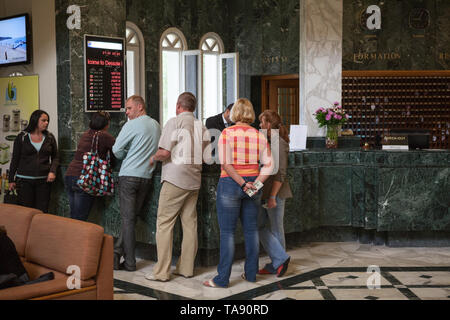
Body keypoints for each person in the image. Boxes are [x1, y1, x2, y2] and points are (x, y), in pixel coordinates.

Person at [203, 98, 273, 288]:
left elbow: (226, 163)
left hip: (231, 184)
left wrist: (242, 184)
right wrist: (255, 184)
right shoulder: (259, 135)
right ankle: (251, 274)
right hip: (252, 185)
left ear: (234, 113)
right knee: (251, 231)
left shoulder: (227, 133)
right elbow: (269, 165)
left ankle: (222, 279)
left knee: (227, 233)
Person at [146, 92, 210, 282]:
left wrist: (153, 157)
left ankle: (162, 272)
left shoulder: (174, 122)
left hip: (175, 179)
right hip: (194, 180)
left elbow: (165, 152)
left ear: (178, 105)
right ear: (193, 107)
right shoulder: (202, 126)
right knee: (190, 224)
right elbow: (207, 157)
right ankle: (186, 268)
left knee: (164, 224)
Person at [113, 95, 161, 272]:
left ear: (140, 107)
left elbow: (116, 150)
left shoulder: (131, 125)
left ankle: (130, 262)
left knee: (127, 220)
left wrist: (127, 154)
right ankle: (116, 252)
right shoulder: (156, 125)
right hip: (146, 178)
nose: (126, 112)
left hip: (129, 176)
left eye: (129, 108)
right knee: (131, 220)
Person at [257, 110, 292, 277]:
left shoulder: (279, 143)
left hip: (276, 193)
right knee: (266, 227)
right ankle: (278, 260)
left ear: (268, 124)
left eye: (262, 122)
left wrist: (272, 197)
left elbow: (280, 174)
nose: (259, 125)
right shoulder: (271, 140)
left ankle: (280, 262)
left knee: (277, 229)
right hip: (269, 192)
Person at [64, 112, 115, 221]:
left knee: (73, 216)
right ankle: (79, 238)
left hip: (70, 175)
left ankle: (70, 237)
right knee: (81, 218)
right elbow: (117, 150)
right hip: (85, 177)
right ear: (106, 124)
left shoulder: (86, 134)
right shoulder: (104, 135)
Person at [9, 110, 59, 213]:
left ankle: (40, 229)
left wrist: (52, 171)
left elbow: (56, 157)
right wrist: (11, 180)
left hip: (44, 182)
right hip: (24, 181)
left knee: (42, 211)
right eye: (43, 120)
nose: (46, 123)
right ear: (35, 120)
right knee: (26, 212)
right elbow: (15, 159)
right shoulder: (22, 137)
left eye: (47, 121)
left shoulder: (50, 137)